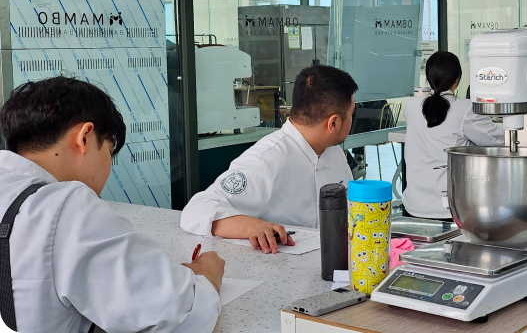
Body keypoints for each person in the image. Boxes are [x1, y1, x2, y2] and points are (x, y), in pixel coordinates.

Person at [0, 77, 224, 333]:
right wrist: (205, 277)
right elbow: (176, 313)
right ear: (84, 137)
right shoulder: (66, 207)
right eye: (108, 152)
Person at [181, 65, 356, 253]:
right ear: (333, 123)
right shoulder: (266, 159)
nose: (352, 120)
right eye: (351, 114)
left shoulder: (333, 152)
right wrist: (253, 227)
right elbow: (197, 210)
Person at [402, 51, 505, 219]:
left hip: (413, 206)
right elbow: (499, 141)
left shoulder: (411, 106)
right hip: (449, 210)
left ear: (428, 78)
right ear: (457, 79)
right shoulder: (465, 108)